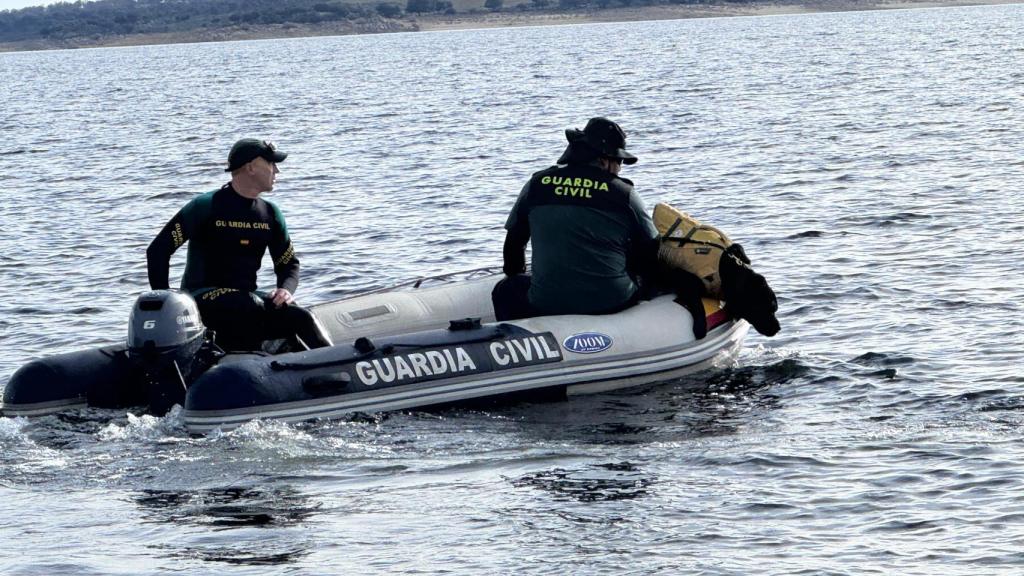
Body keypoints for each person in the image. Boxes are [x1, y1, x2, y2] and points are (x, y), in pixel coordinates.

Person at [146, 138, 332, 351]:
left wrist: (285, 290)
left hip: (247, 299)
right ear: (250, 167)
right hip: (201, 299)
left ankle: (338, 367)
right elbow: (158, 251)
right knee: (247, 304)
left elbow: (288, 263)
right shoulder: (205, 207)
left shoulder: (270, 214)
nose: (277, 170)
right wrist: (168, 306)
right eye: (271, 163)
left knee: (300, 316)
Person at [494, 117, 660, 321]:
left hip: (546, 303)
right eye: (619, 161)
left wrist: (524, 277)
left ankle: (523, 343)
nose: (620, 168)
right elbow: (652, 251)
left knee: (505, 289)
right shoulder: (624, 193)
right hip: (612, 301)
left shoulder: (537, 185)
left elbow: (513, 248)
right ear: (604, 160)